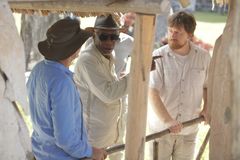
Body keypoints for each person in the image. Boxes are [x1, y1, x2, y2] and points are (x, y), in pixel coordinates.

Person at [26, 17, 107, 160]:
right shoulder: (62, 82)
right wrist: (91, 152)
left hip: (40, 152)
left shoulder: (37, 70)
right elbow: (66, 139)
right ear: (73, 51)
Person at [147, 11, 211, 160]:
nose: (172, 35)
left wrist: (207, 108)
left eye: (178, 32)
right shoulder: (158, 57)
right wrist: (168, 120)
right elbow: (152, 92)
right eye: (170, 30)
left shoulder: (204, 57)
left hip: (189, 130)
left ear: (189, 35)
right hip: (160, 131)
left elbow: (208, 86)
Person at [74, 14, 129, 160]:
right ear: (93, 34)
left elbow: (109, 87)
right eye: (103, 36)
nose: (109, 42)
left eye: (114, 37)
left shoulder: (108, 54)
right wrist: (136, 74)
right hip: (94, 138)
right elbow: (108, 94)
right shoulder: (87, 60)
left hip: (110, 133)